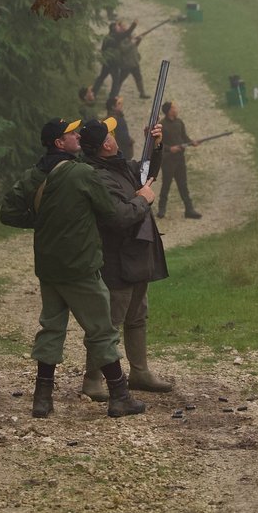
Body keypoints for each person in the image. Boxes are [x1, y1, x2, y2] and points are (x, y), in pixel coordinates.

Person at [0, 117, 152, 419]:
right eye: (71, 134)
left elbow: (8, 213)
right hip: (80, 265)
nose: (78, 137)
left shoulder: (34, 175)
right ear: (60, 143)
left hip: (48, 266)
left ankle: (42, 400)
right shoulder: (83, 173)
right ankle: (119, 396)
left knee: (52, 328)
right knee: (101, 330)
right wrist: (142, 201)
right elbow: (114, 214)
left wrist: (44, 221)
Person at [79, 116, 172, 400]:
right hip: (117, 257)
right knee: (110, 321)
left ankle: (139, 372)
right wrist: (144, 199)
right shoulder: (100, 177)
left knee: (137, 316)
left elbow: (146, 174)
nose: (114, 135)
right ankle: (93, 379)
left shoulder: (117, 166)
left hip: (136, 253)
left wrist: (155, 145)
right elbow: (120, 216)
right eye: (110, 133)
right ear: (105, 144)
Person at [158, 100, 202, 219]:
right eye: (174, 108)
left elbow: (184, 137)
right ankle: (161, 209)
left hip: (180, 159)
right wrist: (169, 149)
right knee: (166, 185)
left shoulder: (179, 122)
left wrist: (192, 142)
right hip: (168, 161)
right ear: (169, 111)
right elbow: (158, 143)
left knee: (183, 185)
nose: (176, 109)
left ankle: (189, 209)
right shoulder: (162, 125)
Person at [114, 20, 149, 98]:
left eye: (125, 25)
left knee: (139, 78)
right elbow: (123, 49)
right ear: (120, 28)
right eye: (123, 26)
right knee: (120, 80)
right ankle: (115, 94)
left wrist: (139, 39)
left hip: (134, 61)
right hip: (126, 63)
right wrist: (132, 42)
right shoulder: (119, 37)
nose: (125, 27)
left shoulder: (129, 35)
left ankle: (142, 93)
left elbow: (134, 46)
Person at [92, 22, 121, 97]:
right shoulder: (116, 37)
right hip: (113, 63)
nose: (119, 28)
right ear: (114, 28)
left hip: (106, 62)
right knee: (116, 81)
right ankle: (112, 97)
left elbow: (103, 49)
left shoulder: (107, 37)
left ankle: (93, 93)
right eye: (117, 27)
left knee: (101, 78)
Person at [106, 92, 133, 159]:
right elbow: (124, 138)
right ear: (113, 107)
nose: (121, 106)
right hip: (122, 153)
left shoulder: (107, 119)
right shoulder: (118, 120)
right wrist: (130, 141)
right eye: (118, 104)